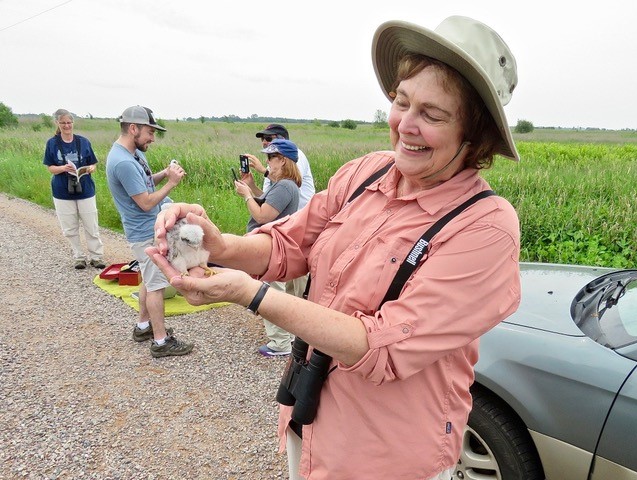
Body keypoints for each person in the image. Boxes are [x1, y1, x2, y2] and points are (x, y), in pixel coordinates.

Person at [148, 15, 521, 479]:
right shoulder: (367, 172)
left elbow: (381, 347)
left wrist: (251, 294)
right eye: (401, 102)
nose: (405, 125)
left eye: (432, 114)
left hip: (386, 458)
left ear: (474, 135)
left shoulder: (486, 227)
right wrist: (215, 244)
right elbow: (289, 246)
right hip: (310, 423)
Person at [106, 105, 193, 358]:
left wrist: (164, 174)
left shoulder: (132, 153)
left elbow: (142, 183)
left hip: (148, 227)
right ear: (133, 128)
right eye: (149, 132)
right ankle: (160, 341)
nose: (152, 138)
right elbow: (144, 202)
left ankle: (143, 326)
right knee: (156, 286)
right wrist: (172, 183)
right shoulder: (122, 161)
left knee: (148, 278)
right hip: (145, 231)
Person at [241, 124, 316, 356]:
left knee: (271, 292)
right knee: (280, 289)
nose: (269, 162)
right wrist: (249, 185)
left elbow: (263, 214)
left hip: (274, 243)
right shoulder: (282, 184)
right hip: (280, 242)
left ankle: (280, 343)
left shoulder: (284, 185)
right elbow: (265, 200)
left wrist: (245, 196)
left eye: (272, 157)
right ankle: (289, 336)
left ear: (282, 160)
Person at [43, 109, 105, 270]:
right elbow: (50, 167)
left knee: (91, 224)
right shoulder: (52, 143)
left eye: (69, 122)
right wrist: (63, 168)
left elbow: (93, 163)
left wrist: (90, 168)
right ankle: (79, 257)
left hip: (85, 188)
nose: (66, 126)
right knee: (70, 227)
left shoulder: (83, 142)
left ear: (73, 123)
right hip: (62, 190)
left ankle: (96, 256)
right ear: (57, 123)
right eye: (63, 123)